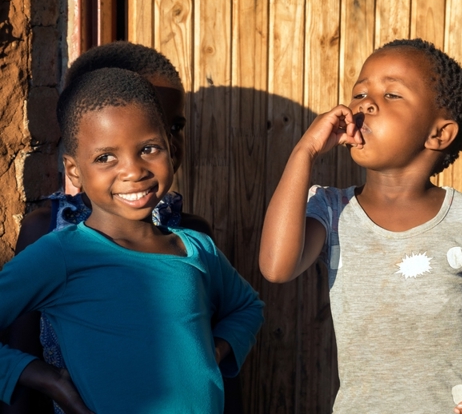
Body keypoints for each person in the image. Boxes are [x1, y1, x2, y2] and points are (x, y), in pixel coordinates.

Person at [259, 39, 462, 413]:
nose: (364, 104)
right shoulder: (331, 209)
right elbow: (276, 267)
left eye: (391, 94)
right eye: (360, 93)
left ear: (439, 134)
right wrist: (303, 151)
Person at [0, 68, 264, 413]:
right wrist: (43, 377)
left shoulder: (196, 248)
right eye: (105, 157)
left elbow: (248, 307)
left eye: (149, 148)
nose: (133, 171)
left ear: (170, 148)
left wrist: (210, 351)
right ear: (74, 170)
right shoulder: (62, 254)